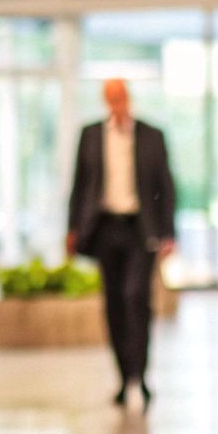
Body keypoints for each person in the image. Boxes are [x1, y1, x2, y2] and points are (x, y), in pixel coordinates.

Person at [66, 79, 177, 408]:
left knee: (136, 297)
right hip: (104, 229)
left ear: (128, 99)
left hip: (139, 230)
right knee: (113, 302)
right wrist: (72, 230)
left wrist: (169, 232)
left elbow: (165, 185)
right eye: (110, 99)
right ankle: (122, 375)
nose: (116, 105)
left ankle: (140, 375)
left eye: (120, 98)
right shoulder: (90, 135)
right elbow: (80, 186)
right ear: (105, 101)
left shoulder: (150, 136)